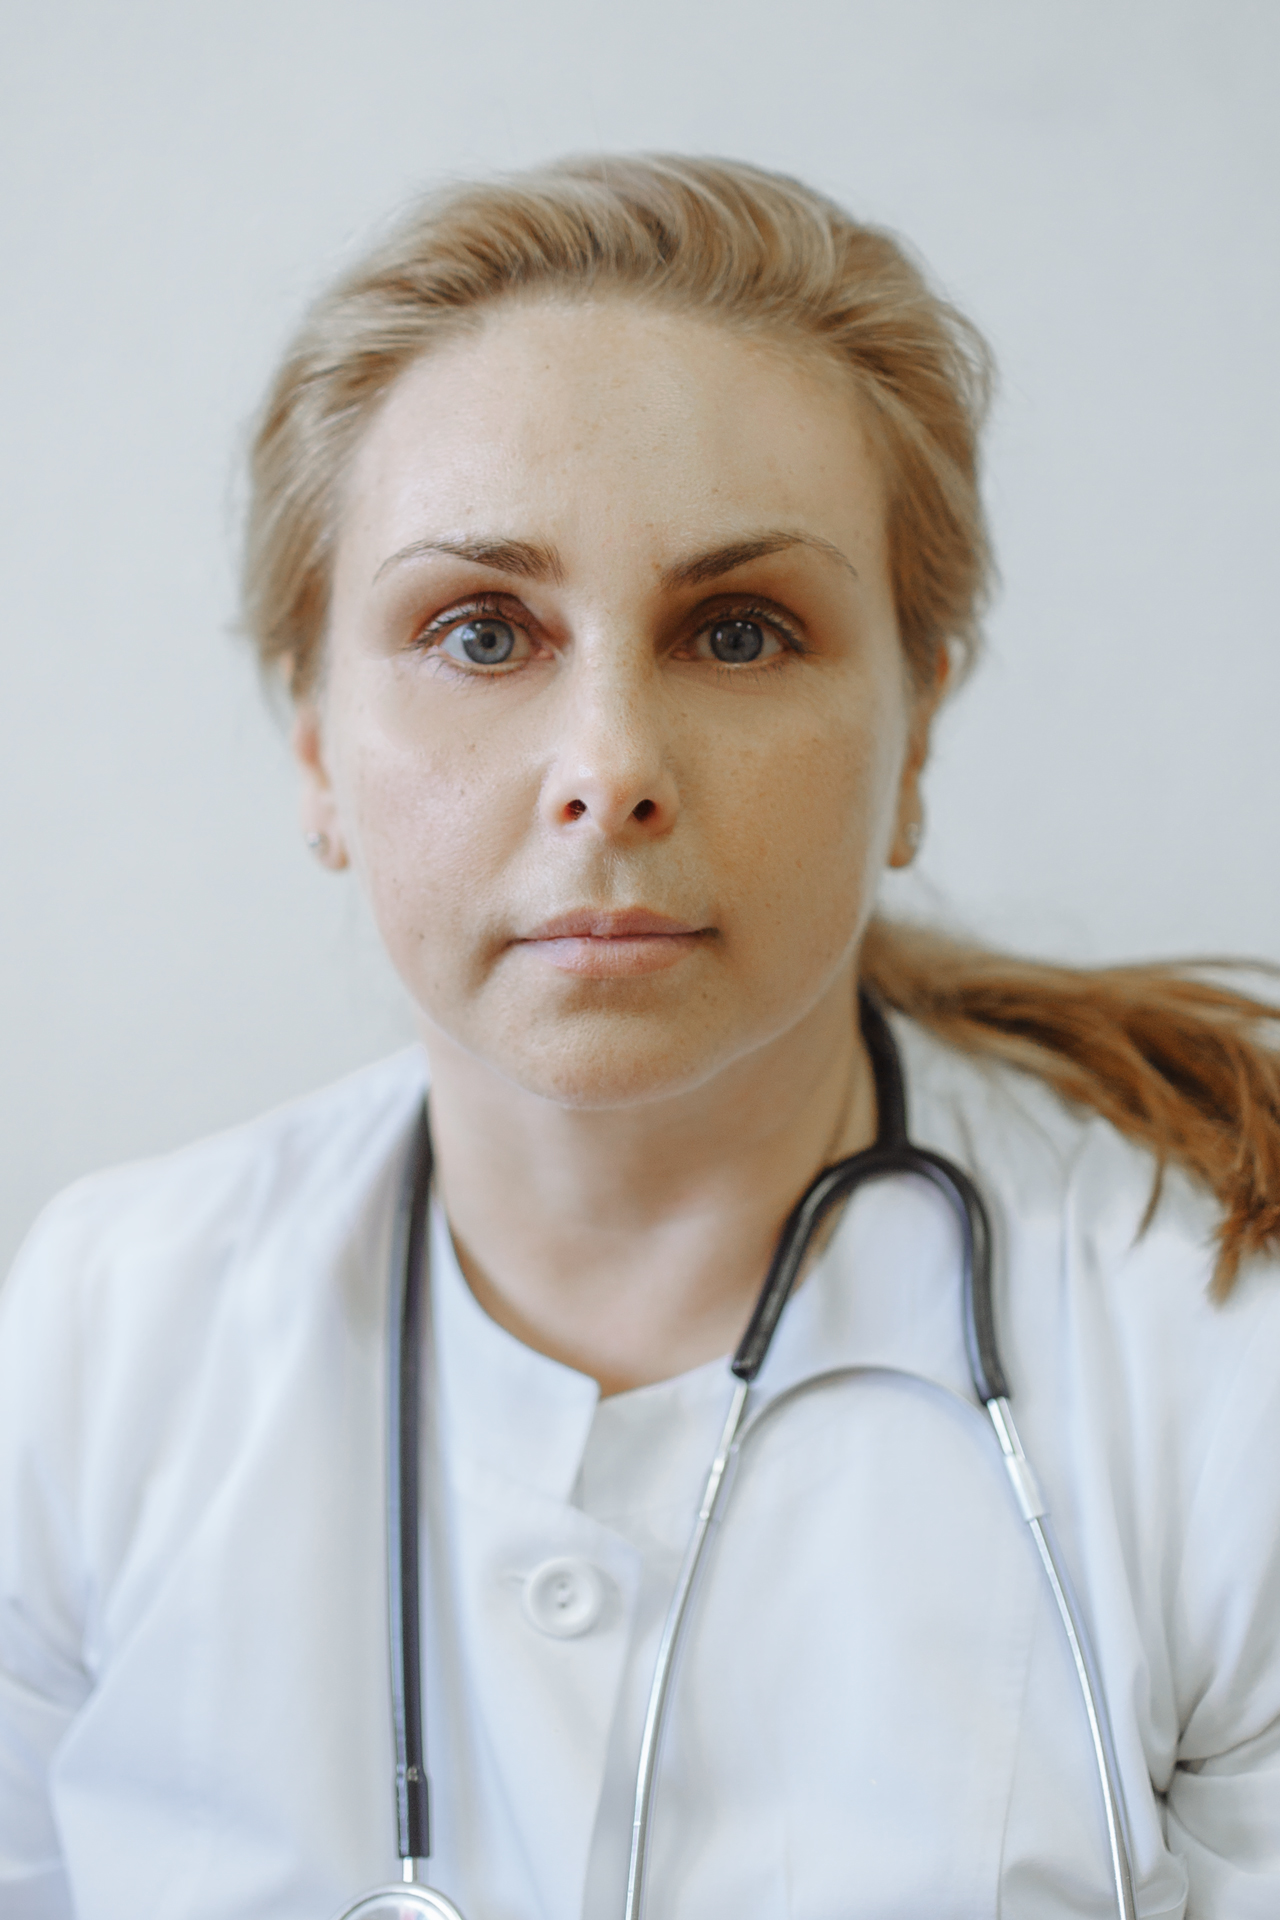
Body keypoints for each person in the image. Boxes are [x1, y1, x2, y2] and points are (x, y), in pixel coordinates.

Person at [2, 154, 1278, 1920]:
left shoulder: (1221, 1369)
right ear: (313, 747)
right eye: (480, 633)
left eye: (737, 633)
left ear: (915, 739)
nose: (610, 766)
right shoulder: (98, 1337)